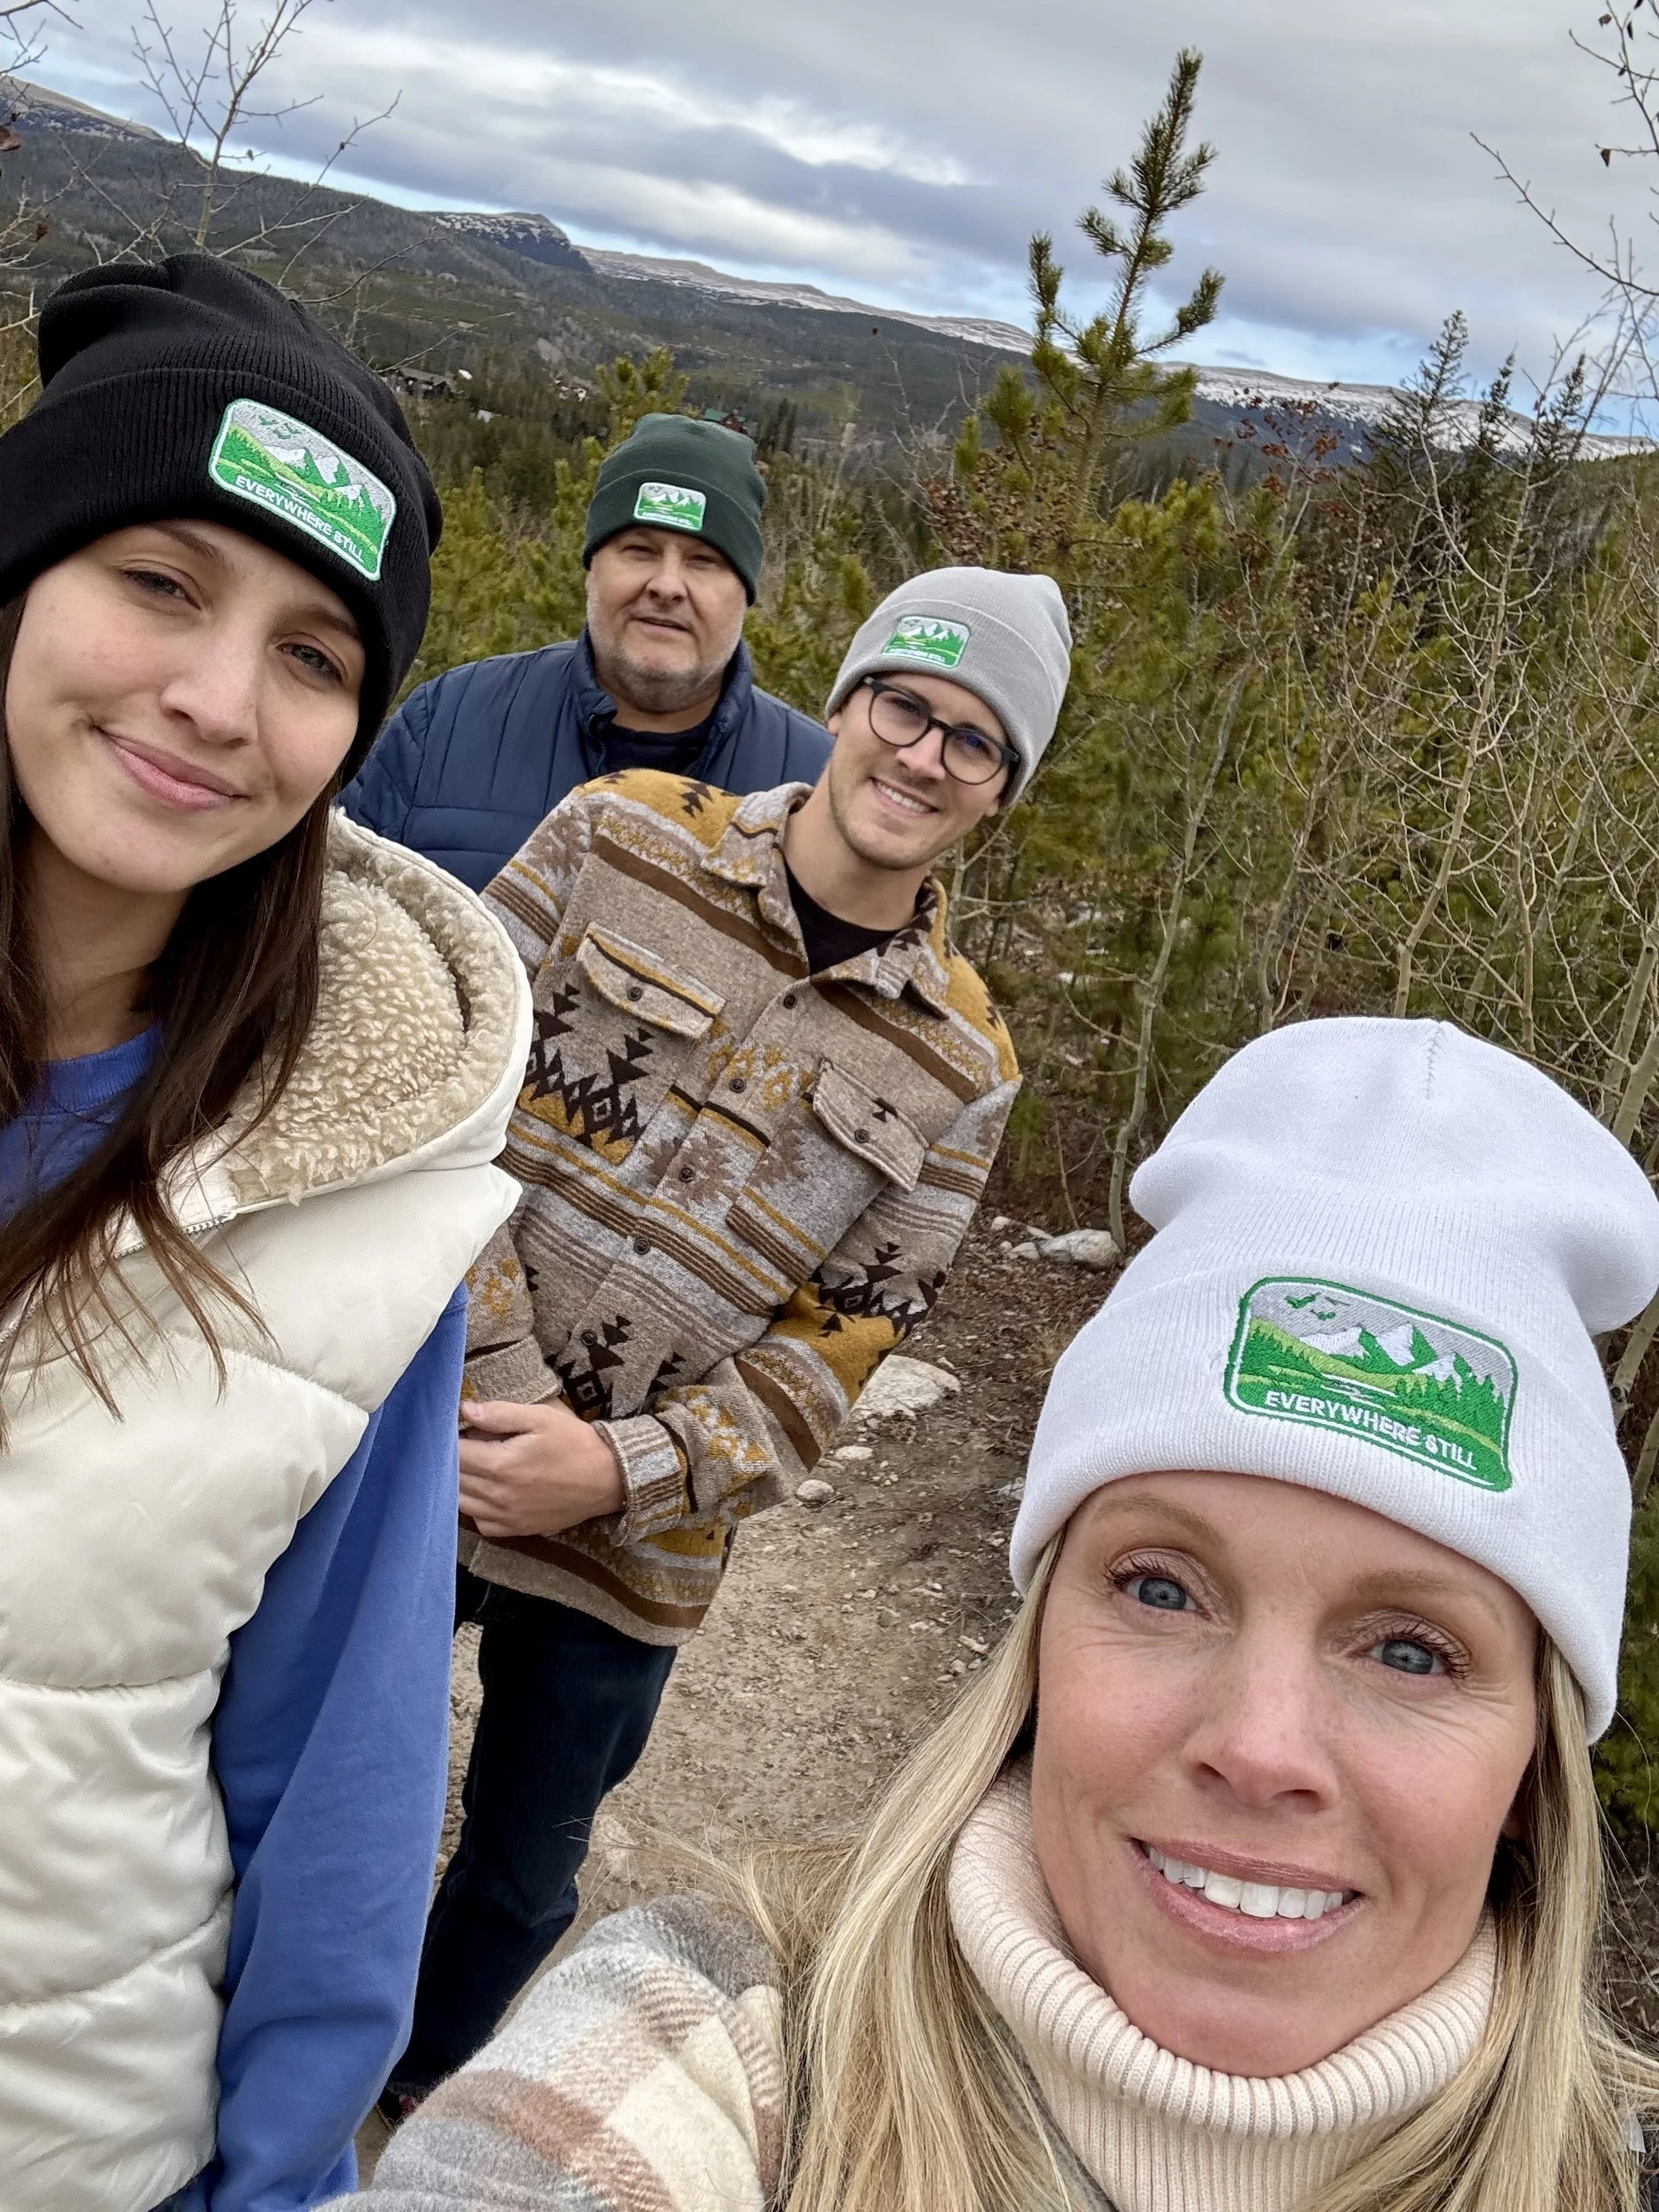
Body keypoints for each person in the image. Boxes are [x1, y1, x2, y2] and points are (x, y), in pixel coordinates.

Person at [342, 1014, 1659, 2212]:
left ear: (1536, 1748)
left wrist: (635, 1464)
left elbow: (841, 1340)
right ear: (1036, 1638)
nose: (1259, 1747)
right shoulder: (716, 2051)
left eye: (1413, 1649)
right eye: (1160, 1585)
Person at [374, 565, 1074, 2116]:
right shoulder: (621, 832)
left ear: (1002, 790)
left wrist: (614, 1470)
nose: (923, 755)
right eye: (909, 704)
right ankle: (258, 2067)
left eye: (975, 741)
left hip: (639, 1548)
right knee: (322, 1786)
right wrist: (502, 1401)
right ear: (847, 701)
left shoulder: (965, 1060)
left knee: (519, 1871)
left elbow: (839, 1350)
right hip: (422, 1439)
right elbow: (438, 1095)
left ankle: (419, 2113)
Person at [0, 256, 531, 2212]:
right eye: (156, 579)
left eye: (316, 656)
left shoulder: (355, 1213)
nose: (220, 702)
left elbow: (339, 1801)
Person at [338, 410, 832, 888]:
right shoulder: (444, 723)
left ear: (745, 591)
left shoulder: (821, 789)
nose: (667, 584)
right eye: (639, 550)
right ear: (592, 567)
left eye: (704, 561)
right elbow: (333, 912)